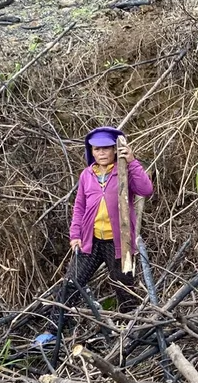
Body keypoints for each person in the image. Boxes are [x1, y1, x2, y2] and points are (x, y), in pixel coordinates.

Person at [64, 126, 153, 314]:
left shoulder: (124, 170)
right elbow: (79, 207)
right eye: (97, 149)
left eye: (106, 148)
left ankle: (132, 332)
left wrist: (132, 161)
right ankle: (56, 328)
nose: (102, 152)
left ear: (114, 150)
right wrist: (75, 235)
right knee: (71, 285)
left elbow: (146, 190)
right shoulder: (87, 175)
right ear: (91, 151)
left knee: (125, 289)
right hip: (91, 240)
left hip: (119, 242)